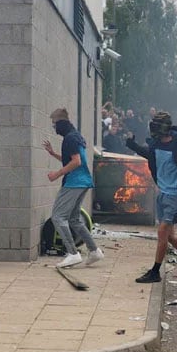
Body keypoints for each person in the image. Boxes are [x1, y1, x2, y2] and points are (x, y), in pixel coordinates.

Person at [126, 111, 177, 283]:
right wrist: (131, 145)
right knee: (170, 236)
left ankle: (155, 272)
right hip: (162, 194)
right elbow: (148, 153)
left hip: (176, 196)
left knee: (162, 231)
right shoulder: (156, 145)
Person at [42, 108, 103, 268]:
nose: (54, 128)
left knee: (58, 216)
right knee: (74, 219)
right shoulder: (75, 136)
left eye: (55, 124)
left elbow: (76, 162)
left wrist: (57, 174)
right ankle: (94, 251)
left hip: (74, 182)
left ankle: (73, 253)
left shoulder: (69, 138)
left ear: (61, 123)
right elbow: (71, 159)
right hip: (83, 182)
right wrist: (53, 154)